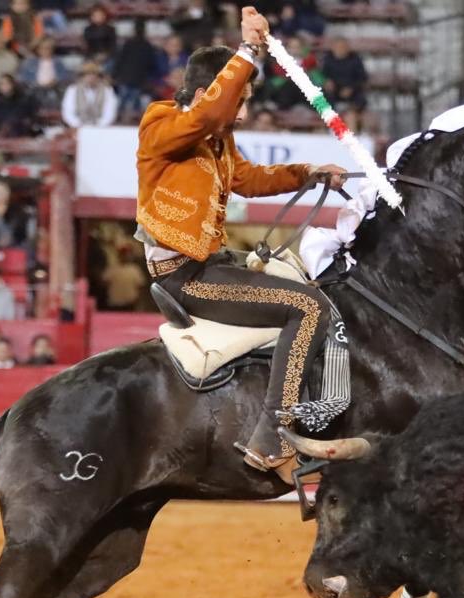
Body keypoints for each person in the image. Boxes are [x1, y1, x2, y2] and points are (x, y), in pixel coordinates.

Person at [138, 12, 349, 472]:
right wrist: (247, 52)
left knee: (303, 282)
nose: (244, 112)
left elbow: (249, 179)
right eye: (241, 100)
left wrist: (309, 173)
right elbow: (213, 111)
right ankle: (272, 434)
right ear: (203, 93)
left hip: (205, 264)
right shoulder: (161, 122)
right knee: (308, 307)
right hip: (185, 277)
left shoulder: (217, 138)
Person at [112, 18, 161, 118]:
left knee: (122, 104)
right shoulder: (148, 46)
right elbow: (151, 65)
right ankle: (133, 120)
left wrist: (115, 75)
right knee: (134, 105)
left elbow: (119, 61)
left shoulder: (127, 44)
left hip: (126, 79)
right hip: (138, 80)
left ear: (133, 30)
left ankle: (119, 118)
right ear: (145, 30)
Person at [61, 62, 119, 128]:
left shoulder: (107, 91)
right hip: (77, 127)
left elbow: (110, 112)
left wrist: (99, 126)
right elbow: (68, 112)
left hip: (101, 128)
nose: (91, 78)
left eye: (94, 75)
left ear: (99, 77)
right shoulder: (72, 90)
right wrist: (78, 125)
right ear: (82, 77)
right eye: (88, 75)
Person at [321, 37, 368, 119]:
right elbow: (321, 75)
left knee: (360, 99)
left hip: (351, 90)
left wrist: (351, 88)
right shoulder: (327, 59)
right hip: (333, 91)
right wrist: (326, 82)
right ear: (333, 48)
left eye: (343, 47)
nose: (340, 50)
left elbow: (362, 78)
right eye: (338, 47)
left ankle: (351, 113)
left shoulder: (355, 59)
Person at [19, 38, 70, 111]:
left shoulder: (58, 62)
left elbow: (65, 76)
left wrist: (55, 81)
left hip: (54, 89)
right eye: (43, 48)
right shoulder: (30, 63)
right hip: (35, 89)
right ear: (38, 50)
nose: (46, 50)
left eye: (48, 48)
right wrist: (35, 84)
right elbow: (23, 78)